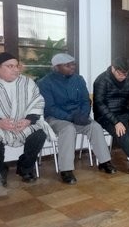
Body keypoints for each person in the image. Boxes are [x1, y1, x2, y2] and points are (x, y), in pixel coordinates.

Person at [38, 53, 117, 185]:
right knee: (68, 129)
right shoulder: (45, 83)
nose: (72, 67)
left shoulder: (78, 79)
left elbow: (86, 100)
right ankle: (66, 170)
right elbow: (50, 108)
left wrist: (84, 115)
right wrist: (70, 117)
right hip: (56, 118)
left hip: (78, 116)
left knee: (95, 126)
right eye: (67, 65)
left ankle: (104, 162)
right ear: (57, 67)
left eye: (73, 64)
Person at [0, 52, 55, 185]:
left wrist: (29, 119)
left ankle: (25, 168)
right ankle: (0, 172)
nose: (16, 70)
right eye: (10, 66)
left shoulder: (26, 82)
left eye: (17, 66)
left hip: (23, 123)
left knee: (39, 134)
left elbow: (37, 101)